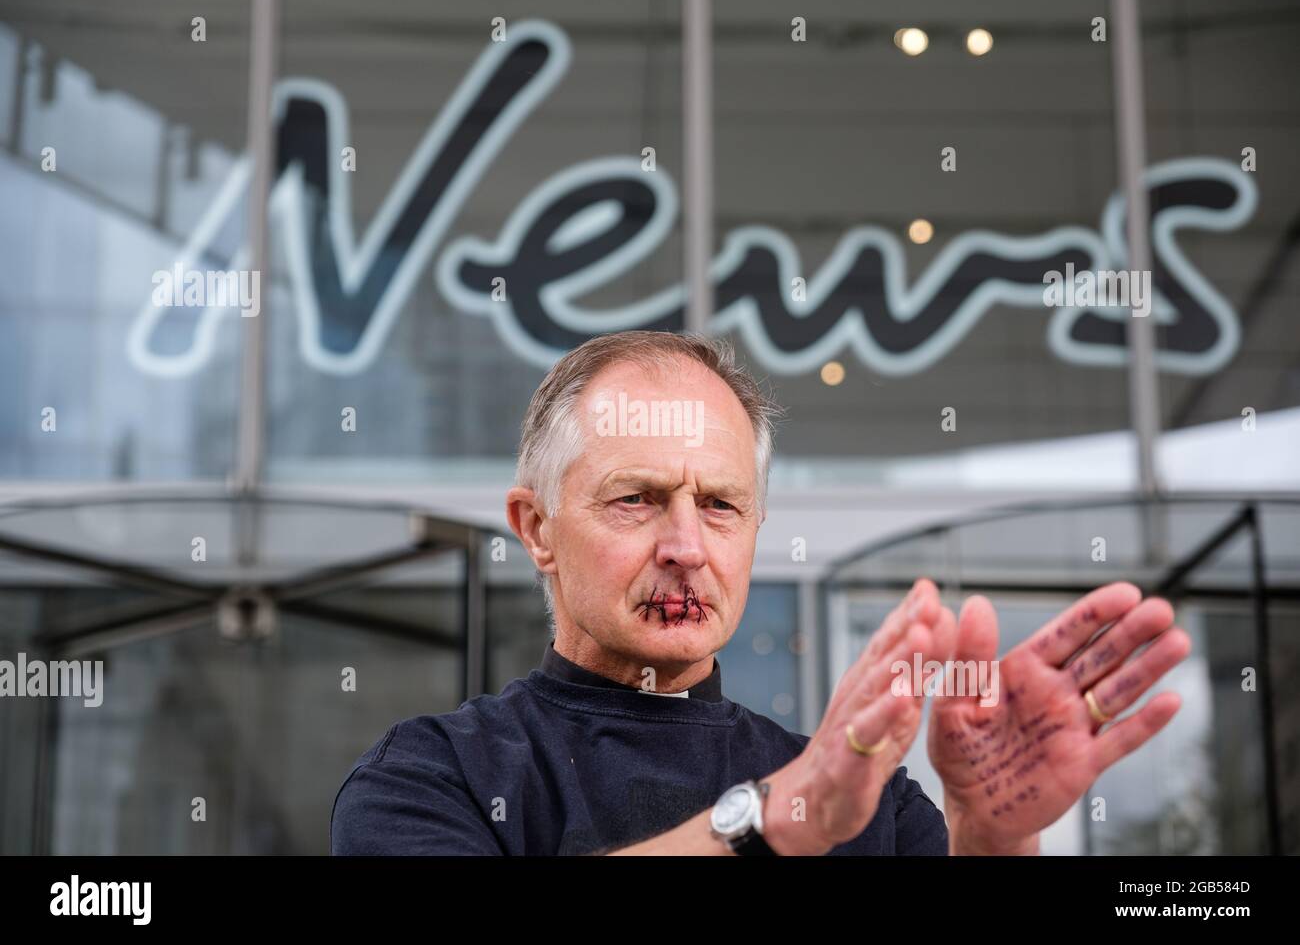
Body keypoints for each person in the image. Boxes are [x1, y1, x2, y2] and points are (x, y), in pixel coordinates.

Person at [331, 330, 1189, 855]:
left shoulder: (878, 804)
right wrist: (770, 824)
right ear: (537, 528)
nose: (685, 547)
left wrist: (996, 840)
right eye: (636, 499)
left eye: (719, 504)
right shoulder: (429, 775)